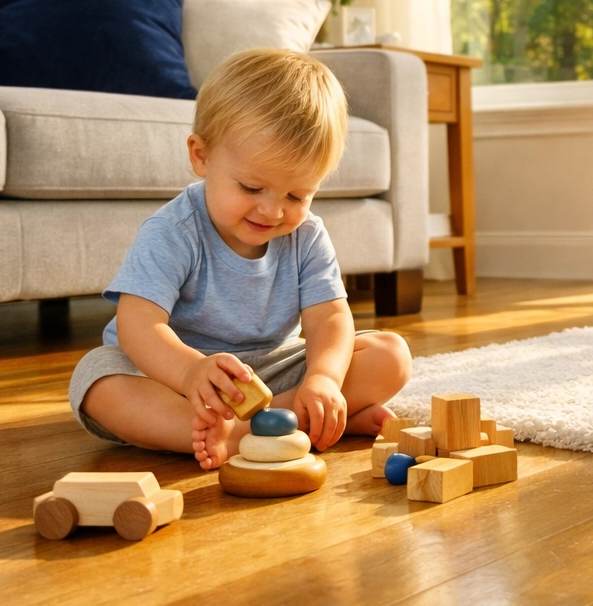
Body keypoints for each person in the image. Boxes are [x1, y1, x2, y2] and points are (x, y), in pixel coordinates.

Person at [68, 48, 411, 469]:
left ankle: (272, 426)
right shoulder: (173, 231)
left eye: (296, 195)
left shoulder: (306, 236)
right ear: (202, 156)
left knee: (391, 354)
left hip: (270, 371)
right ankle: (265, 432)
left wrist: (323, 380)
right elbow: (138, 325)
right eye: (251, 188)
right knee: (100, 381)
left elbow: (329, 319)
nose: (272, 211)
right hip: (175, 378)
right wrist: (191, 372)